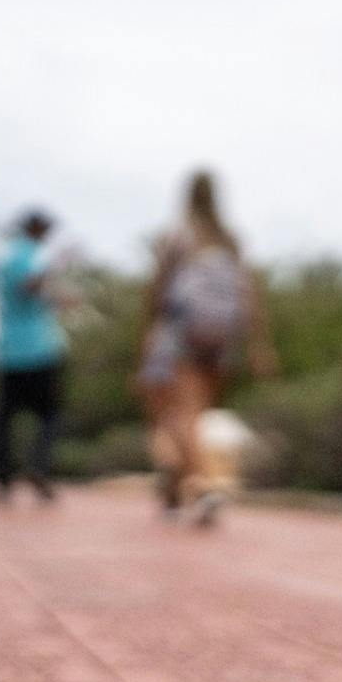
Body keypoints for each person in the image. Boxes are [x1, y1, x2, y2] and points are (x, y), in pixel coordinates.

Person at [137, 170, 276, 526]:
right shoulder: (229, 239)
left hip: (179, 334)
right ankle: (174, 489)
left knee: (172, 414)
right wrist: (259, 344)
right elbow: (249, 294)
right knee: (193, 415)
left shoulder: (178, 237)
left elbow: (158, 290)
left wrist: (150, 333)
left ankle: (203, 484)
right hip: (219, 340)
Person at [0, 208, 68, 503]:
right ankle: (38, 468)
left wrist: (59, 299)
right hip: (36, 350)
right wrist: (58, 263)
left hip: (9, 350)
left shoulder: (8, 256)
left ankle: (3, 477)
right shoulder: (26, 255)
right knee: (49, 415)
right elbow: (29, 286)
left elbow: (32, 293)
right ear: (37, 229)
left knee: (5, 416)